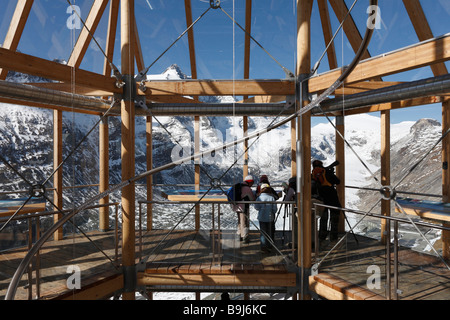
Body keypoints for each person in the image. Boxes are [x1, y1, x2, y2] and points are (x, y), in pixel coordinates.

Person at [311, 160, 342, 241]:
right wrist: (331, 173)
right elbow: (337, 181)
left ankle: (322, 237)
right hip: (332, 197)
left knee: (323, 218)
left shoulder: (313, 174)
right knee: (334, 218)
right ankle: (333, 237)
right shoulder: (327, 172)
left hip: (321, 198)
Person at [254, 183, 278, 253]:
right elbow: (275, 209)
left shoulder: (259, 198)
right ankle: (270, 245)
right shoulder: (272, 198)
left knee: (263, 233)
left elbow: (256, 207)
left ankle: (263, 247)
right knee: (270, 232)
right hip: (270, 217)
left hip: (262, 217)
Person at [231, 175, 255, 244]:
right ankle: (244, 236)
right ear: (250, 182)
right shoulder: (247, 188)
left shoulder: (239, 186)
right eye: (252, 183)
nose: (252, 185)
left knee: (240, 221)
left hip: (236, 206)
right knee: (244, 221)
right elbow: (252, 199)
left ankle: (239, 235)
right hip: (243, 207)